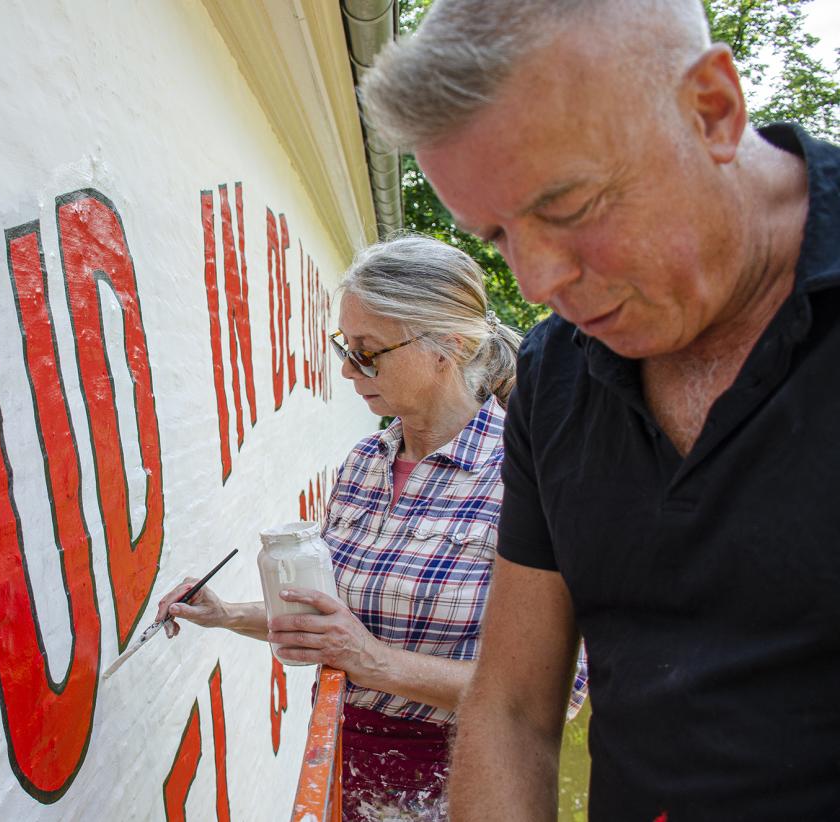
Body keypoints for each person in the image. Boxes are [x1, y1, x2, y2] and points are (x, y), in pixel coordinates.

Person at [360, 0, 840, 819]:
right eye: (499, 237)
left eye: (571, 206)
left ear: (712, 110)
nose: (540, 283)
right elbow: (512, 707)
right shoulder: (553, 376)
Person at [157, 236, 583, 820]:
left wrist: (376, 662)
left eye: (368, 350)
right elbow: (331, 625)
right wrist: (225, 613)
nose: (347, 368)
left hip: (463, 784)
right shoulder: (364, 461)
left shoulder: (525, 476)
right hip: (339, 765)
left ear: (448, 347)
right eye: (344, 345)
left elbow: (555, 694)